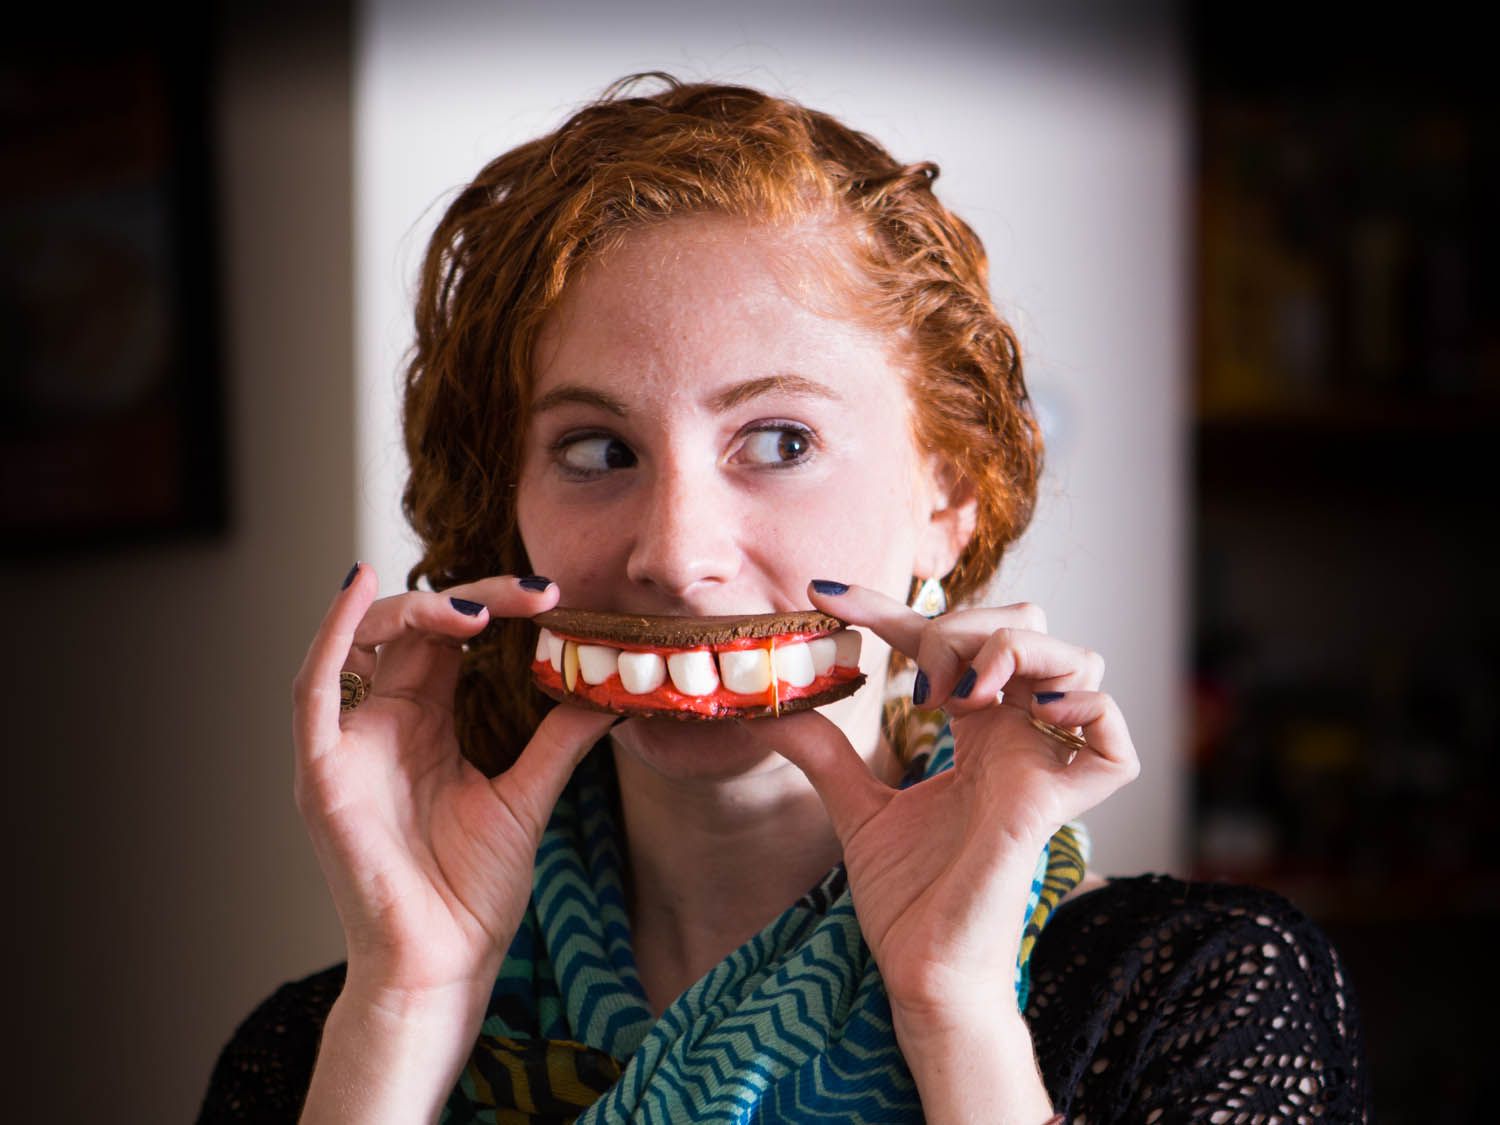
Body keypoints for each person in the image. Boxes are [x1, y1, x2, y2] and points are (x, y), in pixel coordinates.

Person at [198, 74, 1371, 1123]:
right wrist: (405, 1011)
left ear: (950, 492)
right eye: (598, 450)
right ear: (506, 504)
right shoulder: (309, 1056)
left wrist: (953, 1012)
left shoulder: (1199, 1001)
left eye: (779, 438)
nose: (676, 555)